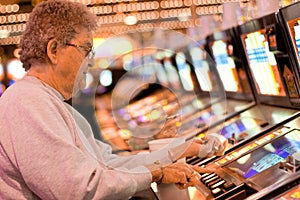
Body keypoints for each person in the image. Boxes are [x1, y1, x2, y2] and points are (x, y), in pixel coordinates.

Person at [0, 0, 227, 199]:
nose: (90, 61)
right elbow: (81, 190)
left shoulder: (50, 101)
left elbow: (107, 164)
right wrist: (156, 174)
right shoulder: (27, 102)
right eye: (86, 49)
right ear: (53, 50)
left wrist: (178, 150)